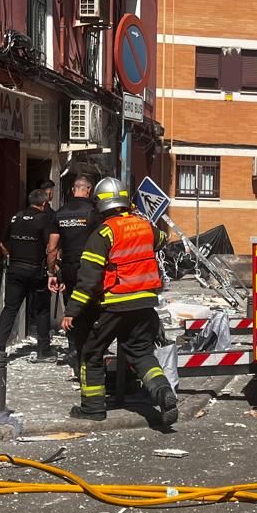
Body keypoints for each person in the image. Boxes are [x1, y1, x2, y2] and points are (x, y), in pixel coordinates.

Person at [61, 177, 177, 425]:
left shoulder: (103, 233)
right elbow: (161, 240)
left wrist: (72, 311)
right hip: (145, 305)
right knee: (142, 354)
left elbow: (88, 279)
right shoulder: (146, 227)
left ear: (100, 204)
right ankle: (163, 392)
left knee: (91, 353)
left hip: (114, 305)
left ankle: (93, 408)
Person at [0, 188, 59, 362]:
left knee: (10, 308)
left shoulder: (16, 217)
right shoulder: (46, 219)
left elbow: (2, 243)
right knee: (42, 310)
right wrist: (51, 271)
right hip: (36, 270)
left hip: (15, 269)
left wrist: (11, 256)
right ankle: (43, 350)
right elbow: (52, 249)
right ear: (44, 203)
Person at [51, 172, 99, 372]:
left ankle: (73, 347)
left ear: (73, 190)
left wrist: (52, 272)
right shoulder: (94, 212)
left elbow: (52, 248)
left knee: (71, 309)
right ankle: (88, 351)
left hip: (68, 269)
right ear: (89, 190)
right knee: (90, 309)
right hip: (90, 268)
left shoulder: (59, 213)